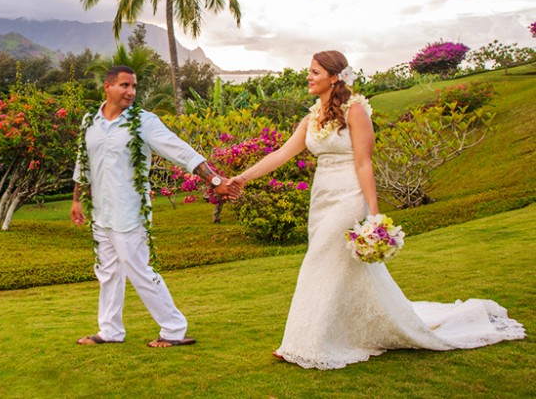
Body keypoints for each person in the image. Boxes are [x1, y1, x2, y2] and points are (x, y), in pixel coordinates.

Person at [230, 50, 525, 369]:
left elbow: (363, 161)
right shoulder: (310, 118)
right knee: (344, 268)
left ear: (334, 77)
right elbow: (281, 154)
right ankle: (357, 328)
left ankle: (305, 343)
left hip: (348, 195)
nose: (308, 77)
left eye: (314, 72)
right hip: (322, 199)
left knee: (318, 262)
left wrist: (373, 211)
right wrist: (241, 178)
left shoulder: (355, 111)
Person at [71, 65, 240, 348]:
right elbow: (83, 163)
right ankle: (110, 331)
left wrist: (214, 179)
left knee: (139, 271)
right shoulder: (90, 121)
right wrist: (77, 199)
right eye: (125, 85)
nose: (131, 92)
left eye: (134, 86)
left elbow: (179, 150)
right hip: (101, 212)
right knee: (107, 272)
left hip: (130, 212)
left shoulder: (143, 122)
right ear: (108, 87)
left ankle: (173, 330)